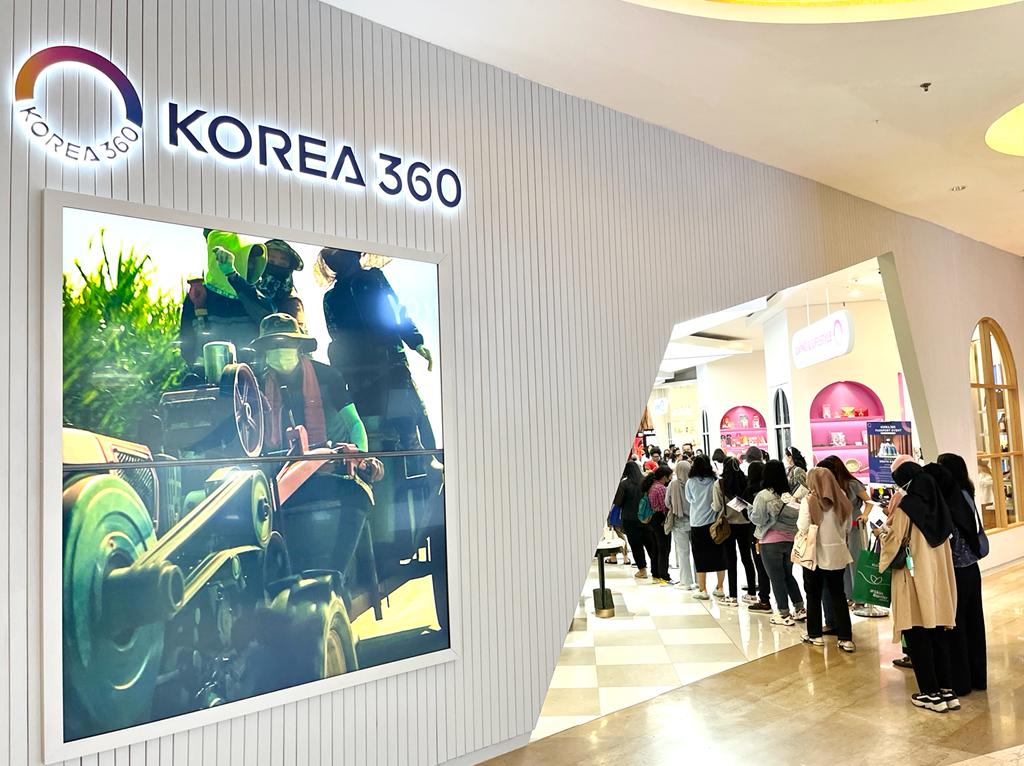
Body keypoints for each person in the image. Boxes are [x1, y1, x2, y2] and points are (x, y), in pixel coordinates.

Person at [317, 248, 435, 453]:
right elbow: (335, 335)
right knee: (369, 424)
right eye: (334, 257)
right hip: (358, 371)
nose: (341, 260)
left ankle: (421, 456)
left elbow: (397, 311)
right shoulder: (331, 297)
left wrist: (416, 341)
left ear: (357, 254)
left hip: (391, 361)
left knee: (405, 416)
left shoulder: (374, 278)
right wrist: (341, 372)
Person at [251, 313, 382, 483]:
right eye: (272, 344)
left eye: (286, 342)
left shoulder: (328, 376)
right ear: (264, 350)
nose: (279, 349)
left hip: (335, 467)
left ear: (298, 345)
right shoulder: (258, 384)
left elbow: (354, 423)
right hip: (284, 472)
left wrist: (361, 458)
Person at [877, 456, 958, 712]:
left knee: (917, 634)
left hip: (912, 581)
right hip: (938, 580)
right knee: (937, 634)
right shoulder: (940, 506)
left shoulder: (906, 508)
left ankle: (930, 694)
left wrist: (881, 532)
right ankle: (947, 691)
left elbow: (893, 543)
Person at [935, 453, 987, 694]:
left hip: (955, 571)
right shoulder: (967, 493)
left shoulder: (948, 499)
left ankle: (961, 683)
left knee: (955, 626)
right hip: (972, 568)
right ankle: (978, 678)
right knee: (974, 623)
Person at [179, 229, 270, 366]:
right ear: (217, 260)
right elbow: (187, 347)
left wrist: (232, 276)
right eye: (245, 257)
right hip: (211, 381)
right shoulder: (198, 296)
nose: (251, 264)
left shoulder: (250, 295)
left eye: (251, 259)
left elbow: (268, 318)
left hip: (252, 380)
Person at [798, 467, 856, 652]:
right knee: (838, 595)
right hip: (837, 555)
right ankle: (845, 637)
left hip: (815, 555)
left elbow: (803, 526)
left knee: (813, 595)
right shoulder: (843, 501)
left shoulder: (809, 501)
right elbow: (847, 528)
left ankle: (815, 635)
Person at [749, 460, 805, 626]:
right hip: (791, 540)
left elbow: (758, 519)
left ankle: (783, 613)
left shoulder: (763, 496)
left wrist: (749, 510)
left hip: (770, 541)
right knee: (788, 575)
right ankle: (800, 607)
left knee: (776, 578)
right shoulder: (791, 495)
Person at [817, 456, 872, 609]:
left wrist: (865, 515)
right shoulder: (831, 486)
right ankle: (849, 595)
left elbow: (869, 501)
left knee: (856, 561)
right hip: (838, 527)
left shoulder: (852, 484)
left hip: (855, 526)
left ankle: (860, 597)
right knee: (844, 562)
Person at [712, 458, 754, 607]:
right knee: (747, 558)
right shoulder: (745, 480)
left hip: (728, 525)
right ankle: (752, 593)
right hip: (745, 524)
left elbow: (717, 507)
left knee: (731, 560)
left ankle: (733, 596)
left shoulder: (720, 484)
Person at [686, 455, 727, 601]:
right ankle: (720, 588)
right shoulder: (714, 481)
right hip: (714, 523)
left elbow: (689, 499)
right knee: (719, 554)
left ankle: (703, 589)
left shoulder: (690, 482)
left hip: (697, 523)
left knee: (700, 556)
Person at [614, 461, 656, 579]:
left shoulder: (624, 484)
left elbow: (618, 502)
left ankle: (642, 571)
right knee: (651, 544)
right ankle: (656, 569)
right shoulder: (647, 481)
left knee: (636, 545)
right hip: (647, 518)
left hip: (630, 518)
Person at [666, 458, 696, 590]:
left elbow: (667, 503)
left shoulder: (673, 484)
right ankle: (700, 581)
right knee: (696, 552)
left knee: (683, 553)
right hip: (695, 521)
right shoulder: (694, 483)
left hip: (679, 522)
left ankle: (686, 582)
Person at [642, 466, 675, 584]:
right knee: (664, 548)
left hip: (652, 519)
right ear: (665, 477)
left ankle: (655, 572)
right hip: (661, 519)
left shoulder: (651, 486)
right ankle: (664, 575)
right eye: (670, 475)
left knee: (656, 547)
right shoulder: (661, 488)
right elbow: (664, 507)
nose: (671, 478)